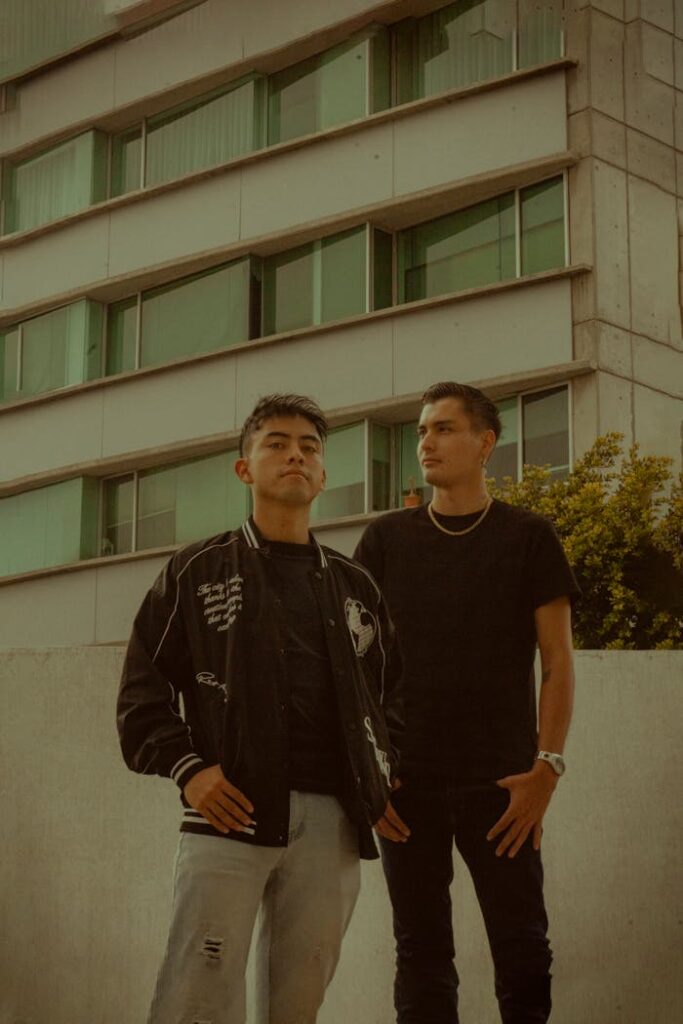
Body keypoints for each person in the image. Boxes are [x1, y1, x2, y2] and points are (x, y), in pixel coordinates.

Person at [117, 393, 407, 1024]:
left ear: (324, 475)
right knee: (196, 996)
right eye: (276, 442)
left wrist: (379, 779)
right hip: (229, 813)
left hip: (332, 820)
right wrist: (190, 768)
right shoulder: (197, 571)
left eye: (309, 447)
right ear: (244, 468)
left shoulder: (356, 587)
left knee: (297, 1004)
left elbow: (390, 700)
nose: (295, 455)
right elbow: (142, 690)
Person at [354, 381, 579, 1024]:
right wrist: (371, 776)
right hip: (406, 788)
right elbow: (355, 670)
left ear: (486, 443)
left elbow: (558, 662)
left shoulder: (529, 537)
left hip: (504, 787)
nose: (426, 441)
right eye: (422, 430)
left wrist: (547, 769)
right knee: (421, 957)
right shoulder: (385, 542)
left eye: (444, 428)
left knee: (524, 953)